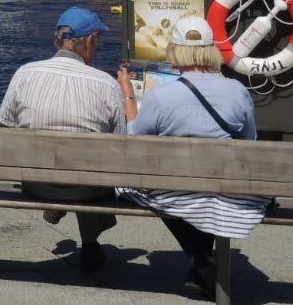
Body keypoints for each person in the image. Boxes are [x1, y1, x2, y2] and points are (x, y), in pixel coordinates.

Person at [116, 17, 270, 298]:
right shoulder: (238, 92)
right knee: (206, 192)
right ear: (210, 49)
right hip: (226, 187)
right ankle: (201, 258)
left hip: (176, 191)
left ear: (175, 50)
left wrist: (128, 96)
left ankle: (199, 256)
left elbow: (135, 142)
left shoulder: (160, 96)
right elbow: (250, 143)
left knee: (148, 189)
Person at [0, 7, 125, 272]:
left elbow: (6, 126)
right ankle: (89, 244)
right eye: (98, 40)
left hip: (36, 183)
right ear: (89, 41)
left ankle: (58, 208)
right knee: (92, 168)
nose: (99, 46)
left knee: (79, 165)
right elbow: (119, 141)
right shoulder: (106, 84)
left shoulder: (25, 73)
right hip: (87, 188)